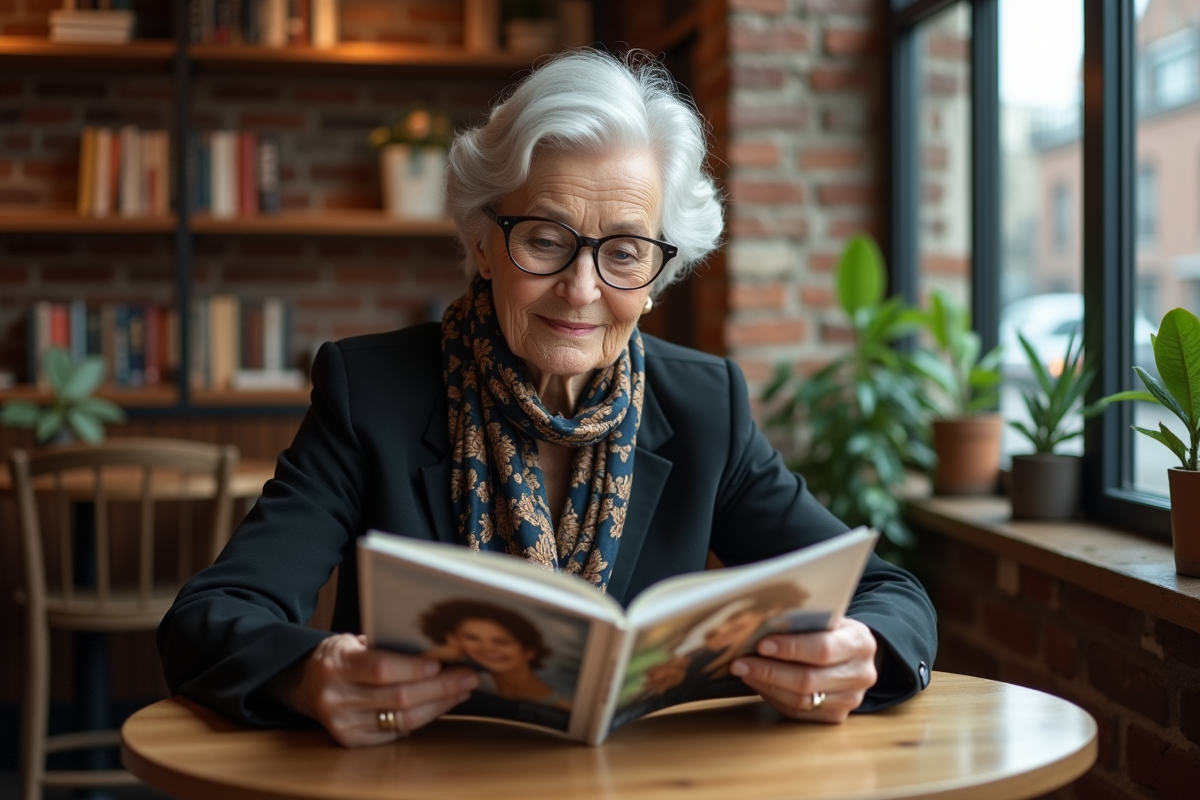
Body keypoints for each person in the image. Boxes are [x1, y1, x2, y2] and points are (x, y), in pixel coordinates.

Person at [158, 49, 937, 749]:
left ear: (658, 277)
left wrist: (858, 651)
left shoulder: (704, 407)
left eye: (624, 252)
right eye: (544, 238)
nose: (581, 287)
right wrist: (307, 675)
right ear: (482, 243)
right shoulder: (373, 395)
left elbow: (890, 595)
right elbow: (211, 617)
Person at [418, 599, 572, 710]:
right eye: (472, 638)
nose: (487, 648)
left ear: (529, 652)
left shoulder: (563, 706)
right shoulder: (469, 684)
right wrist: (432, 657)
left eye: (501, 642)